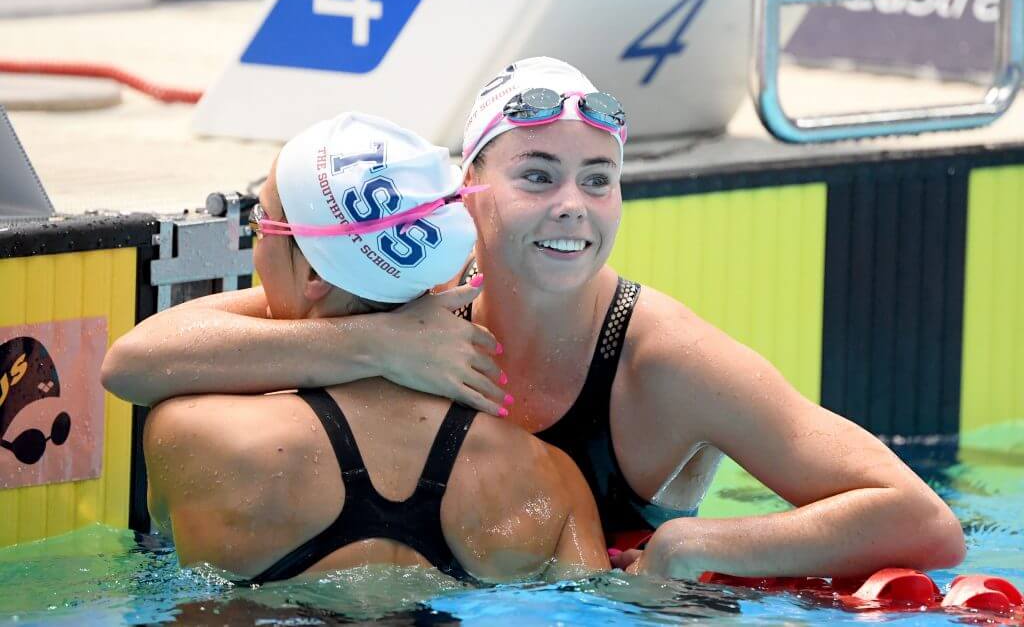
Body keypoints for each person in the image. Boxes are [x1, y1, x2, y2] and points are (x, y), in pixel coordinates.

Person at [104, 58, 966, 581]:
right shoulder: (415, 293)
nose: (573, 208)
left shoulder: (664, 359)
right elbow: (140, 362)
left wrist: (703, 543)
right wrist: (367, 341)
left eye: (599, 180)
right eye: (539, 175)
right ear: (466, 191)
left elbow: (924, 521)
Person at [138, 112, 609, 584]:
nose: (255, 244)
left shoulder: (194, 435)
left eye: (261, 223)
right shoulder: (549, 480)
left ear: (316, 274)